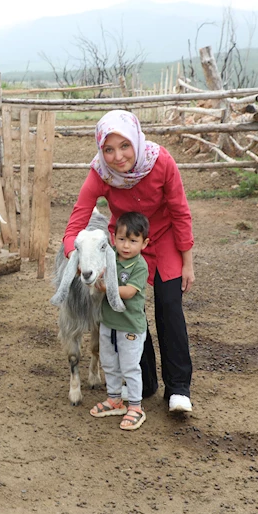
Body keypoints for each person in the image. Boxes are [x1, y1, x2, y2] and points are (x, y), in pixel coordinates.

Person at [62, 109, 195, 413]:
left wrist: (187, 262)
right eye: (108, 149)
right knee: (128, 309)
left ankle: (178, 388)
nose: (118, 156)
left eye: (124, 146)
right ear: (100, 149)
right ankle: (144, 381)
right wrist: (77, 258)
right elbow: (75, 223)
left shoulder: (161, 162)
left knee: (169, 307)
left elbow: (180, 212)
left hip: (164, 241)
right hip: (126, 246)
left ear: (136, 140)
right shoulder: (100, 173)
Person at [90, 211, 150, 430]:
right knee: (109, 363)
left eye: (133, 241)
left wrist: (105, 286)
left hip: (130, 327)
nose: (126, 246)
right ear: (113, 238)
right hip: (109, 323)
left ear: (144, 243)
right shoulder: (110, 257)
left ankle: (135, 406)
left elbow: (129, 292)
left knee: (130, 367)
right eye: (122, 239)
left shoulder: (139, 266)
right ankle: (115, 398)